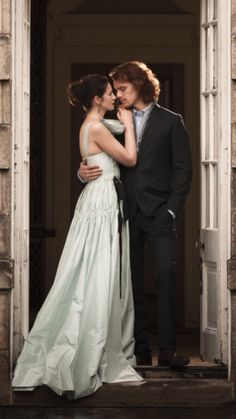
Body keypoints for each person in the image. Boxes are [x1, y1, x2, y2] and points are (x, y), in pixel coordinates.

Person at [12, 74, 143, 400]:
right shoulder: (97, 126)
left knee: (90, 268)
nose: (115, 97)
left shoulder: (92, 125)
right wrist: (129, 126)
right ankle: (83, 348)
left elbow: (95, 161)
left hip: (99, 199)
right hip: (101, 203)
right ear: (97, 99)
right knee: (95, 270)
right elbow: (129, 159)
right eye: (110, 94)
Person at [79, 62, 192, 368]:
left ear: (140, 84)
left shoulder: (171, 121)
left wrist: (172, 209)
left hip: (160, 215)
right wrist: (82, 171)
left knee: (165, 277)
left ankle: (167, 351)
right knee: (131, 283)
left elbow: (184, 170)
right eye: (114, 91)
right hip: (126, 212)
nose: (117, 96)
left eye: (123, 89)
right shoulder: (113, 121)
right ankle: (140, 350)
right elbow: (100, 157)